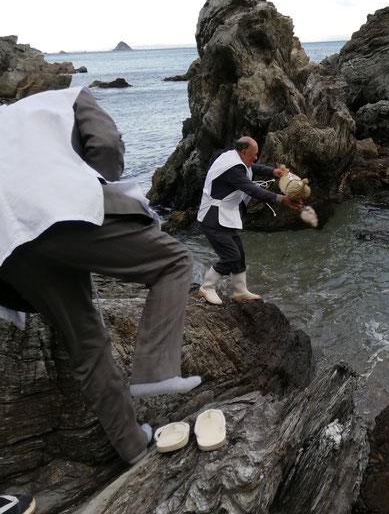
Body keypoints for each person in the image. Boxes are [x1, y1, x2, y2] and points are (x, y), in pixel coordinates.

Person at [0, 87, 201, 465]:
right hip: (58, 211)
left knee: (86, 344)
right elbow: (107, 148)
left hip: (9, 245)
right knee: (173, 260)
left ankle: (131, 446)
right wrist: (91, 186)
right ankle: (155, 371)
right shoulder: (68, 96)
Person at [197, 136, 302, 304]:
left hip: (224, 216)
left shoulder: (234, 156)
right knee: (231, 256)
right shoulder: (232, 169)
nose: (255, 157)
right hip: (213, 218)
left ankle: (240, 291)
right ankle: (206, 287)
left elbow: (252, 167)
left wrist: (272, 172)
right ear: (244, 151)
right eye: (254, 154)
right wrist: (283, 199)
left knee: (239, 255)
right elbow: (253, 190)